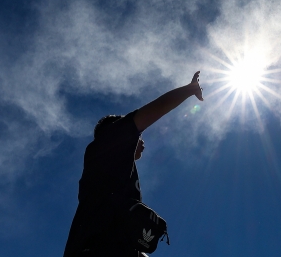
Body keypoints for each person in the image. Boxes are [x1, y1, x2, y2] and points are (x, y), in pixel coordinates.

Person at [63, 71, 204, 257]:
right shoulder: (108, 142)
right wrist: (188, 90)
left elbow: (121, 229)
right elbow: (149, 113)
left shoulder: (116, 173)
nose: (141, 139)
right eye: (137, 135)